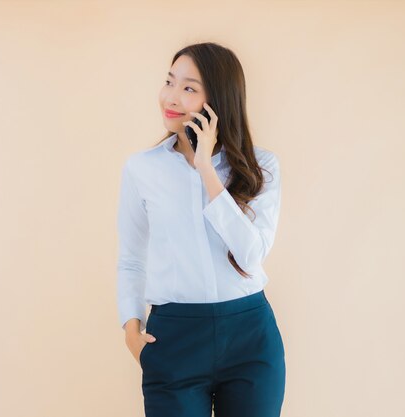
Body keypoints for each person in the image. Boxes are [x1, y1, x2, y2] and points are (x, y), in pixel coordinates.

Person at [116, 42, 286, 417]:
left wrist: (207, 169)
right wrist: (132, 331)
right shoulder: (142, 169)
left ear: (218, 102)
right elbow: (131, 258)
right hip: (175, 337)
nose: (171, 97)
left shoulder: (262, 167)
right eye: (169, 81)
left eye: (189, 88)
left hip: (250, 338)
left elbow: (251, 255)